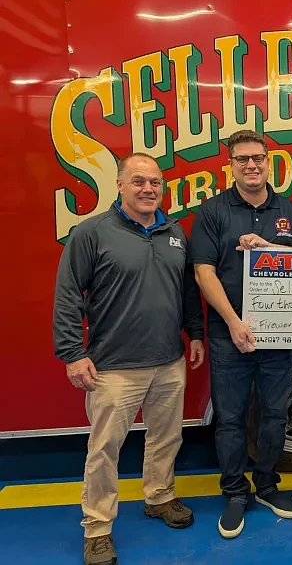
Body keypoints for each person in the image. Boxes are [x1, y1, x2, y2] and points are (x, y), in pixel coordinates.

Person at [53, 153, 205, 565]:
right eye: (138, 181)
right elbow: (68, 296)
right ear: (119, 184)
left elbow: (188, 291)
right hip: (113, 367)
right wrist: (72, 353)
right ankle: (98, 528)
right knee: (104, 450)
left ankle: (159, 497)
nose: (148, 189)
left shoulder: (174, 232)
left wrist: (195, 333)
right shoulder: (92, 233)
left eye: (155, 182)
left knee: (166, 438)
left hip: (168, 361)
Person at [190, 129, 292, 539]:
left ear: (269, 162)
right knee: (229, 417)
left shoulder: (291, 211)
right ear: (230, 165)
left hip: (280, 334)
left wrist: (269, 248)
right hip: (231, 334)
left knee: (275, 413)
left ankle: (266, 484)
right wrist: (233, 321)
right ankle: (234, 492)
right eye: (242, 158)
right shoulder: (213, 211)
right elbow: (203, 271)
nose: (251, 165)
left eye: (258, 158)